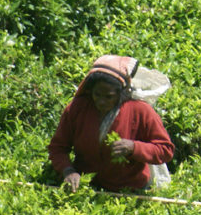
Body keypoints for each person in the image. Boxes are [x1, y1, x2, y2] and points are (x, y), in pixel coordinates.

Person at [48, 55, 175, 192]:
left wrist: (134, 147)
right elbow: (57, 147)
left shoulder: (140, 111)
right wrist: (68, 170)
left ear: (122, 93)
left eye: (109, 96)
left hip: (130, 190)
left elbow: (165, 150)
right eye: (97, 95)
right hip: (88, 186)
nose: (101, 101)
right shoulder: (78, 108)